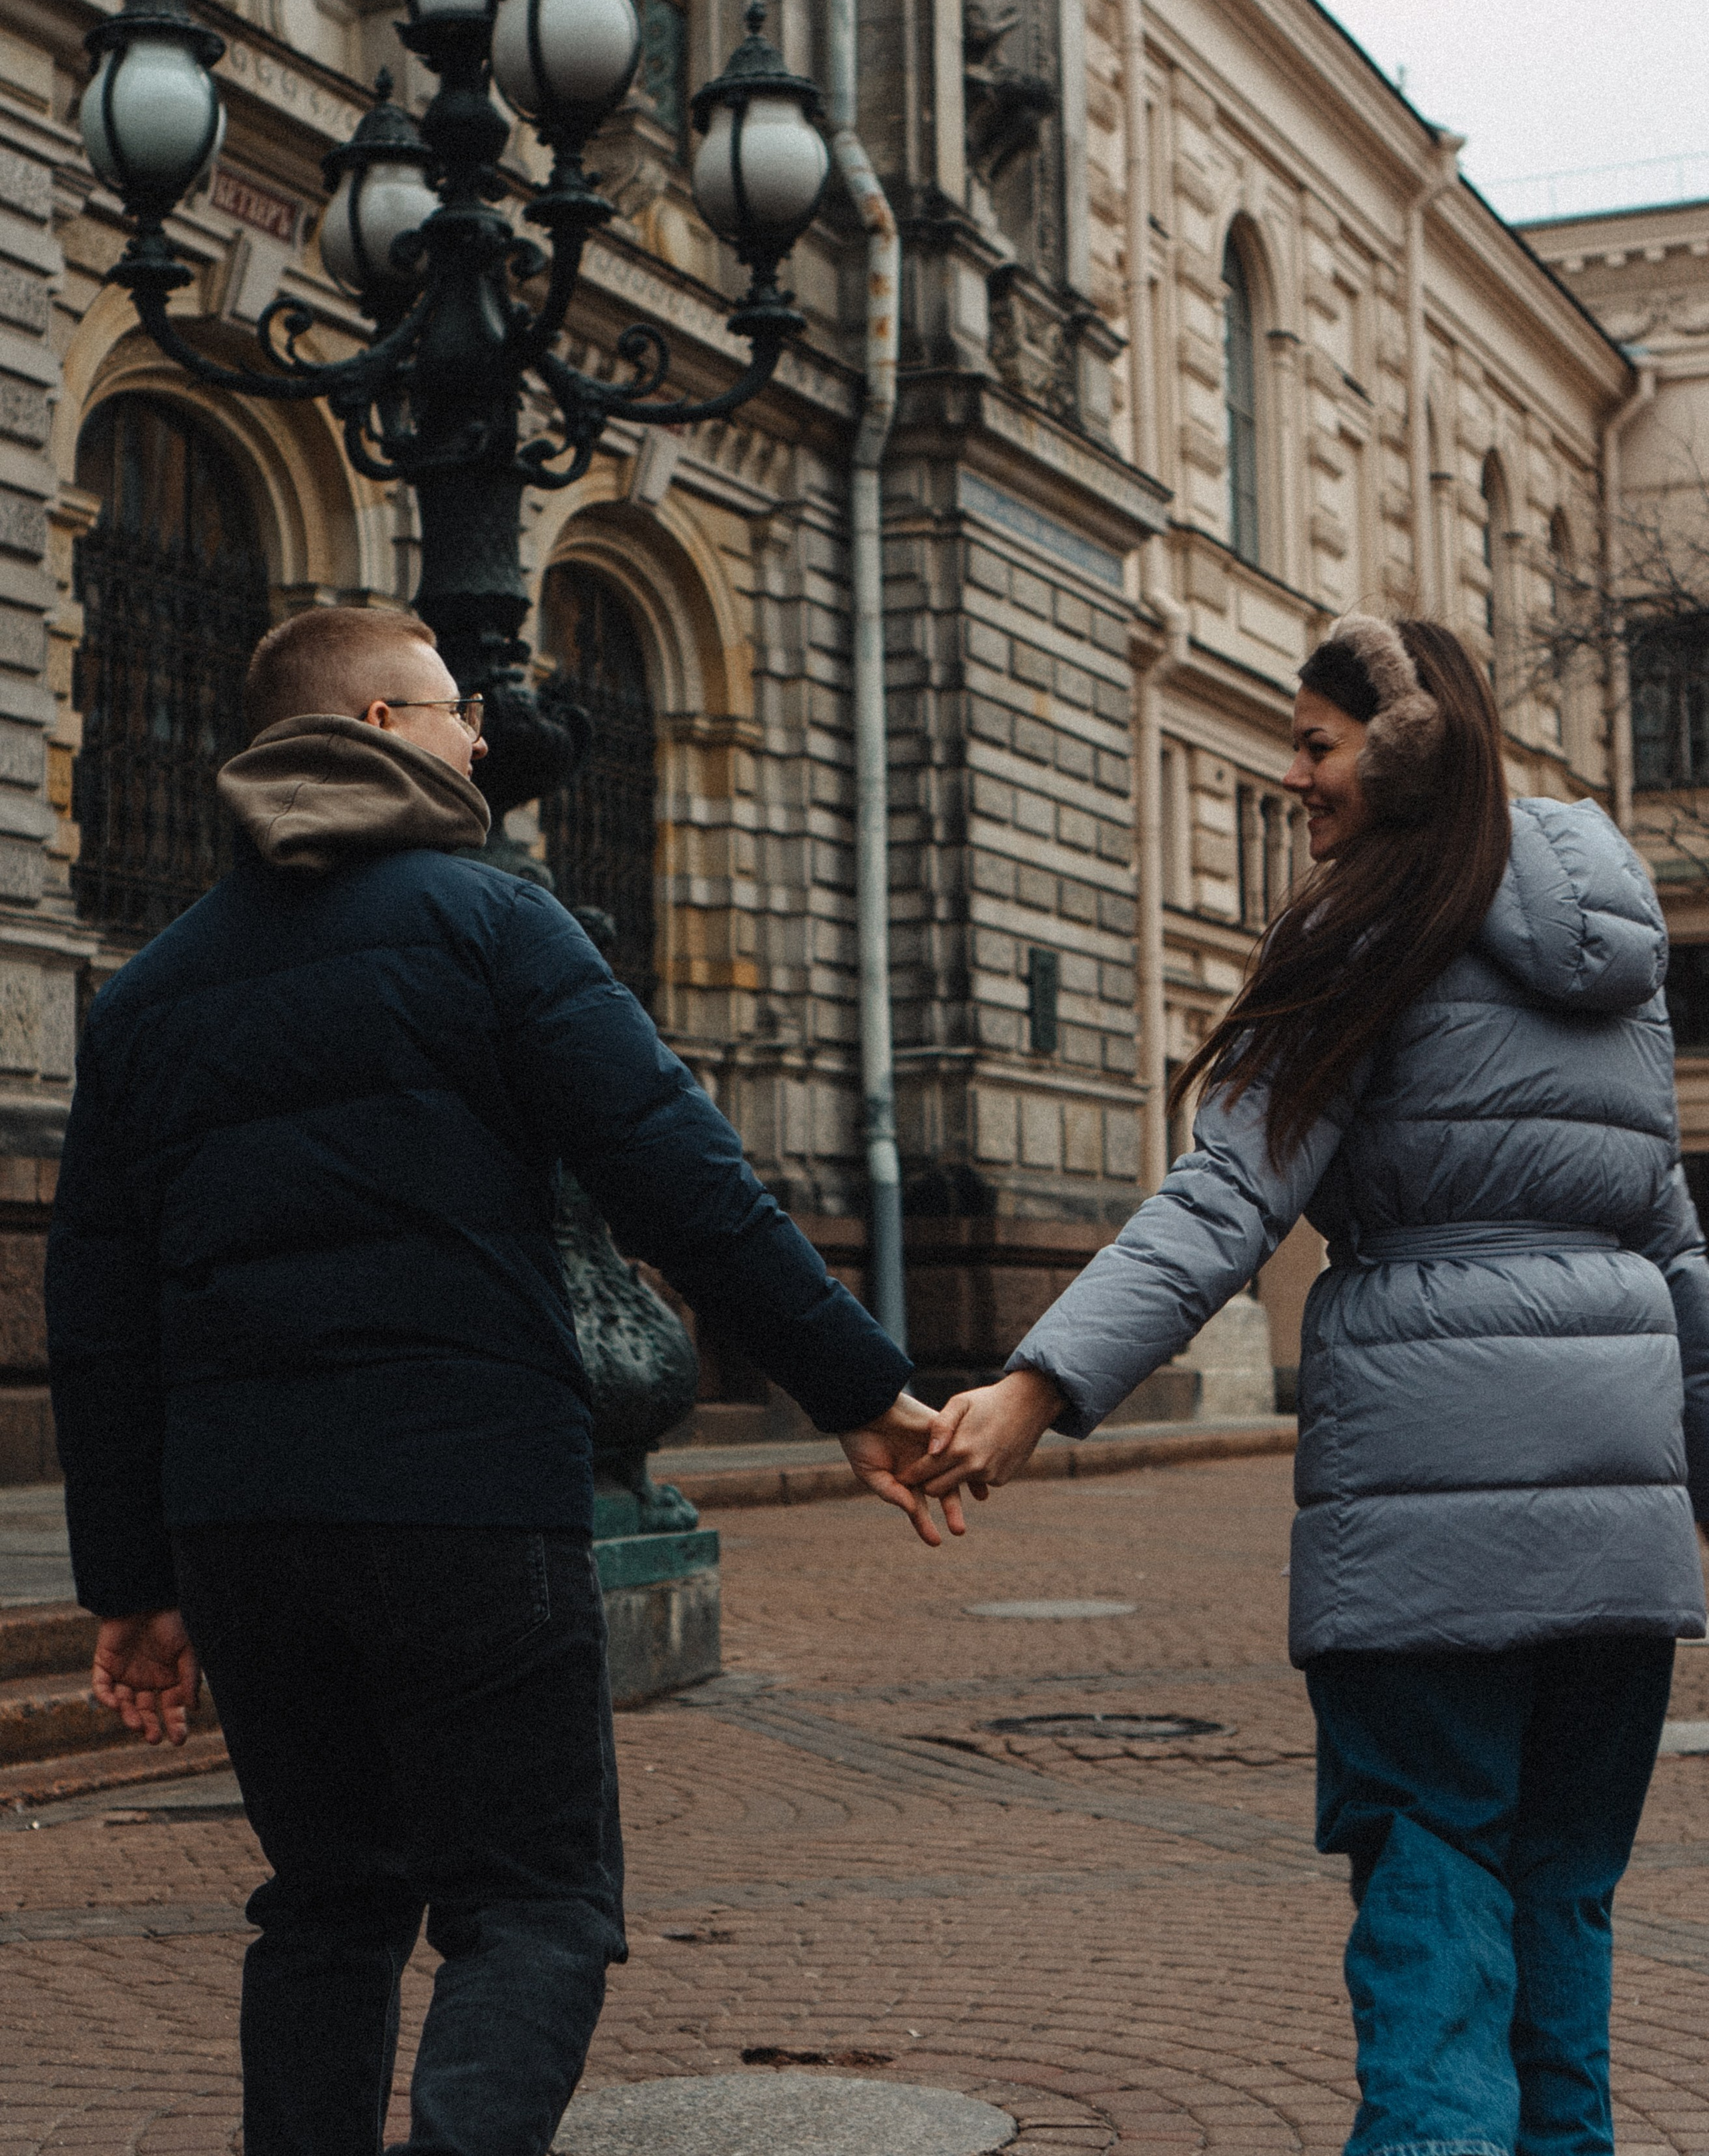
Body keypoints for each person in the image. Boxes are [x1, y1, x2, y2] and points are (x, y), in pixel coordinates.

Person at [45, 603, 961, 2156]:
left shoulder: (143, 999)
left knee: (325, 1904)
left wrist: (131, 1582)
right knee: (532, 1905)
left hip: (246, 1525)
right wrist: (863, 1392)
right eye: (455, 707)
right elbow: (687, 1181)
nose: (483, 736)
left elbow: (98, 1317)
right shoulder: (493, 924)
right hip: (465, 1505)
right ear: (381, 729)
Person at [909, 612, 1709, 2156]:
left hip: (1425, 1535)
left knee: (1430, 1896)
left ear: (1401, 748)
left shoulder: (1363, 927)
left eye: (1314, 744)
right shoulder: (1615, 961)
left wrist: (1033, 1386)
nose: (1292, 777)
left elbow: (1226, 1198)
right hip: (1614, 1552)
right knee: (1561, 1909)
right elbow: (1671, 1249)